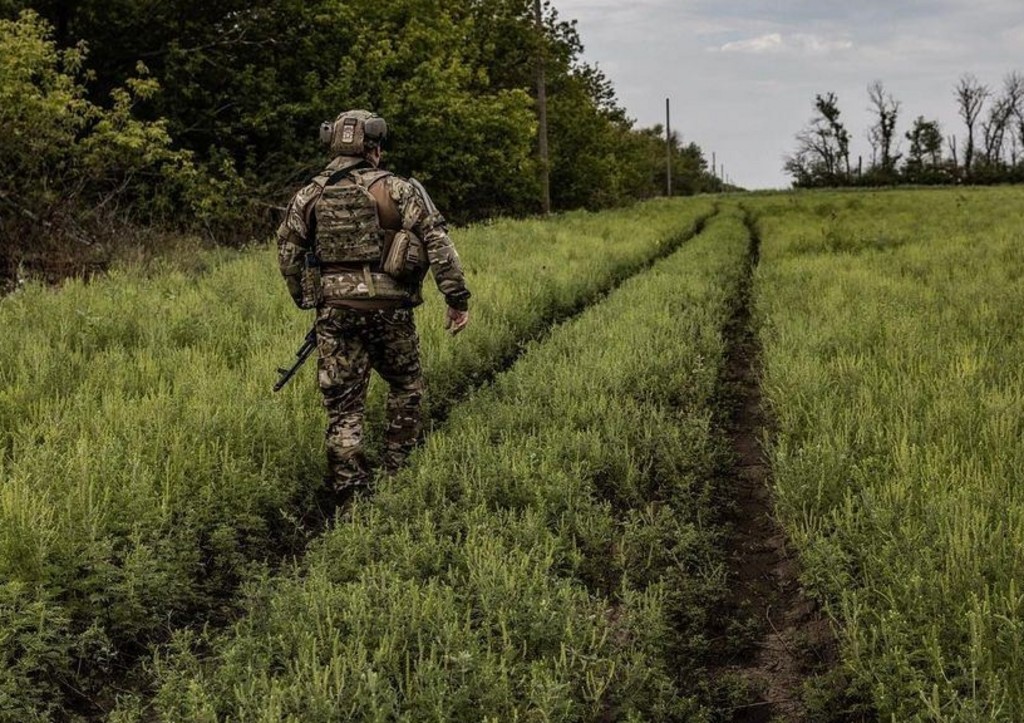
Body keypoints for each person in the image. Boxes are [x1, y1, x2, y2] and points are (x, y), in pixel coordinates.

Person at [276, 109, 470, 507]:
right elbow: (438, 244)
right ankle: (398, 471)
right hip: (391, 311)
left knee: (344, 406)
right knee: (405, 386)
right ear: (375, 149)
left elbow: (287, 253)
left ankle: (350, 494)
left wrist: (308, 298)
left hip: (336, 312)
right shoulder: (398, 190)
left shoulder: (310, 194)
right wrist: (456, 299)